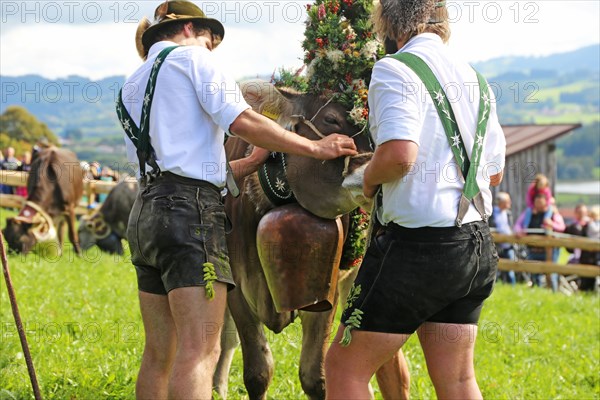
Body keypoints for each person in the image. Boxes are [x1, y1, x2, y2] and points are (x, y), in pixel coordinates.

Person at [118, 1, 357, 399]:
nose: (212, 50)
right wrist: (315, 148)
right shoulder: (195, 62)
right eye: (211, 42)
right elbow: (244, 121)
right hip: (190, 215)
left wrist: (247, 164)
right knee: (200, 350)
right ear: (192, 30)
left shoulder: (132, 81)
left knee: (159, 353)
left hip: (145, 213)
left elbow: (179, 161)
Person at [324, 1, 506, 399]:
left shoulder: (394, 68)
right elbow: (493, 173)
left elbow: (399, 155)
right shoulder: (476, 78)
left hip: (417, 248)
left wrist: (366, 183)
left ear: (391, 23)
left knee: (343, 369)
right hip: (475, 244)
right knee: (458, 380)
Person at [514, 193, 566, 291]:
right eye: (536, 202)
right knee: (534, 273)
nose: (538, 204)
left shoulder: (553, 214)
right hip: (533, 249)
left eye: (541, 202)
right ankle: (538, 292)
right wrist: (519, 231)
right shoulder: (529, 213)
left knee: (551, 273)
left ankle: (553, 293)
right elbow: (517, 225)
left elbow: (562, 227)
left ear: (546, 202)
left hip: (549, 251)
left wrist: (552, 224)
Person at [490, 192, 516, 285]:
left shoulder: (508, 214)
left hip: (508, 245)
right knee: (495, 268)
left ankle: (512, 287)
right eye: (507, 201)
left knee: (510, 268)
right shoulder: (492, 213)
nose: (510, 203)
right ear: (500, 202)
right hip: (496, 245)